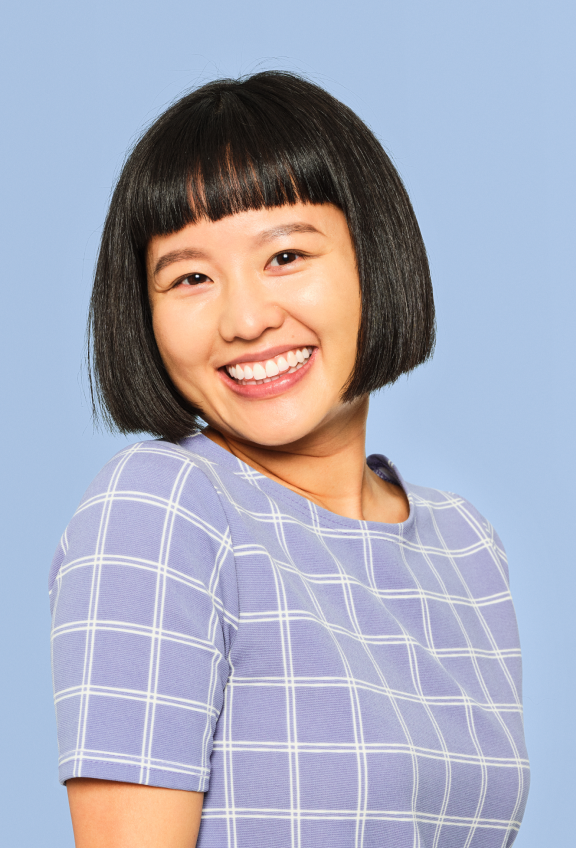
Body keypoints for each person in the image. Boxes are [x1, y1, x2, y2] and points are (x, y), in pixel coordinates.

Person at [49, 71, 529, 848]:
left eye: (284, 256)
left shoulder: (467, 548)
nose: (245, 319)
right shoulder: (162, 508)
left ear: (374, 256)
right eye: (192, 277)